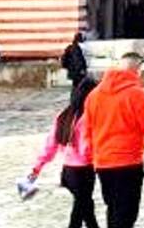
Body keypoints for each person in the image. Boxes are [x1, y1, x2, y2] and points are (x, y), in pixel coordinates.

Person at [84, 52, 144, 228]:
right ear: (138, 70)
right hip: (128, 162)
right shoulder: (138, 96)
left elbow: (87, 130)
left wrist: (93, 155)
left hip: (103, 163)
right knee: (126, 214)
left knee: (113, 209)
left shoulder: (94, 96)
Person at [29, 76, 99, 228]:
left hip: (68, 170)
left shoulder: (64, 116)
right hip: (84, 170)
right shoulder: (89, 117)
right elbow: (87, 148)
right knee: (82, 208)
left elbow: (50, 145)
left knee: (85, 206)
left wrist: (37, 168)